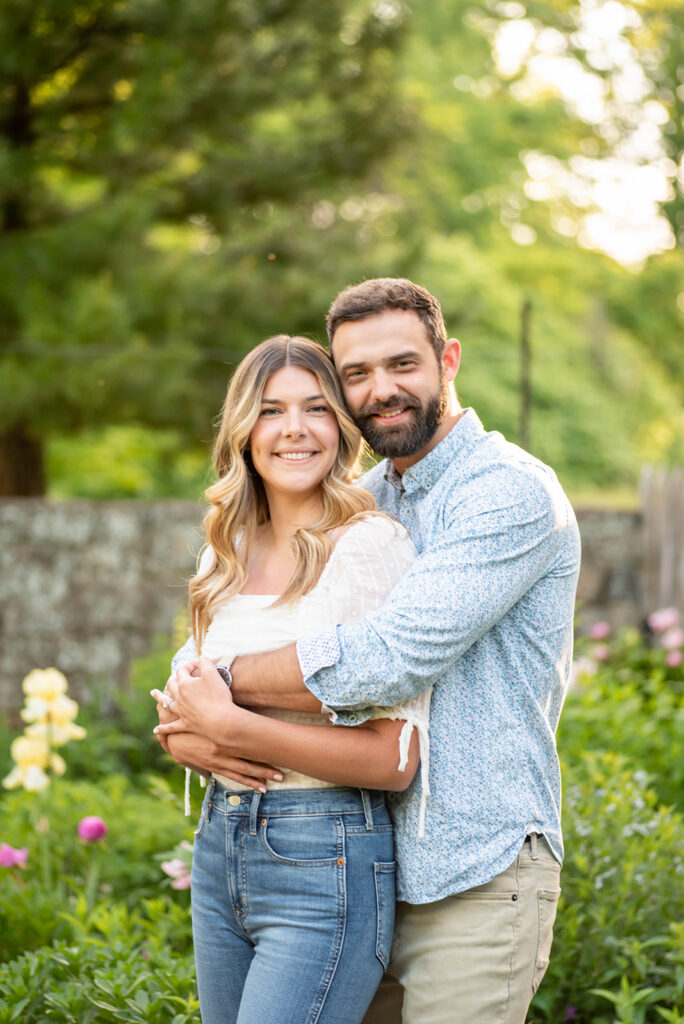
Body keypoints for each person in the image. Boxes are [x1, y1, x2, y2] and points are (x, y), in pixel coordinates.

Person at [163, 278, 581, 1024]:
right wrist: (187, 721)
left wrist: (219, 693)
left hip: (472, 870)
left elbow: (384, 658)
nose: (381, 389)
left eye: (402, 365)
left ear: (448, 360)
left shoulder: (507, 493)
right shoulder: (364, 501)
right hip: (359, 861)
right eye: (356, 374)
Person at [152, 333, 431, 1024]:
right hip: (220, 846)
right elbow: (182, 699)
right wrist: (181, 739)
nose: (295, 430)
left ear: (342, 426)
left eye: (315, 409)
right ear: (245, 432)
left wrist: (230, 725)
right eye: (272, 411)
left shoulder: (369, 547)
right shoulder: (231, 549)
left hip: (324, 854)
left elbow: (393, 761)